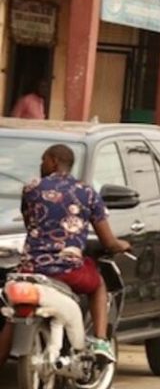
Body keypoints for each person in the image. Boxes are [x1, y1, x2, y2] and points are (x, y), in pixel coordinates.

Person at [0, 145, 130, 366]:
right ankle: (100, 342)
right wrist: (122, 245)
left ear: (53, 161)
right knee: (98, 283)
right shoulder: (87, 192)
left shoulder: (31, 188)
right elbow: (108, 241)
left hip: (31, 269)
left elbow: (30, 222)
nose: (41, 165)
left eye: (43, 160)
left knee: (13, 316)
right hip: (68, 270)